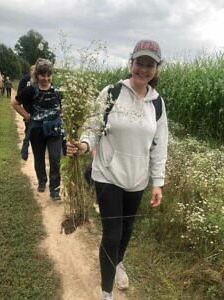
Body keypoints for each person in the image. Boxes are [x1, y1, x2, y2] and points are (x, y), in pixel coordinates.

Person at [67, 39, 168, 300]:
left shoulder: (157, 104)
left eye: (150, 64)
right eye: (139, 63)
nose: (143, 69)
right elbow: (92, 127)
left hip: (137, 179)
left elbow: (159, 145)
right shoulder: (111, 93)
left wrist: (157, 182)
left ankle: (119, 263)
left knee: (127, 230)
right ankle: (106, 292)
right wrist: (84, 145)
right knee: (112, 235)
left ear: (156, 69)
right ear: (131, 63)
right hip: (108, 175)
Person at [11, 58, 63, 200]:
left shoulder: (57, 90)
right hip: (37, 130)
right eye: (42, 75)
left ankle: (55, 190)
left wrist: (61, 115)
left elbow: (62, 107)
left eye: (48, 75)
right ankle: (42, 181)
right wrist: (27, 117)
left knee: (55, 158)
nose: (45, 78)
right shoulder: (30, 90)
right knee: (39, 157)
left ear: (51, 75)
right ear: (37, 75)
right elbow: (14, 103)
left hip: (55, 130)